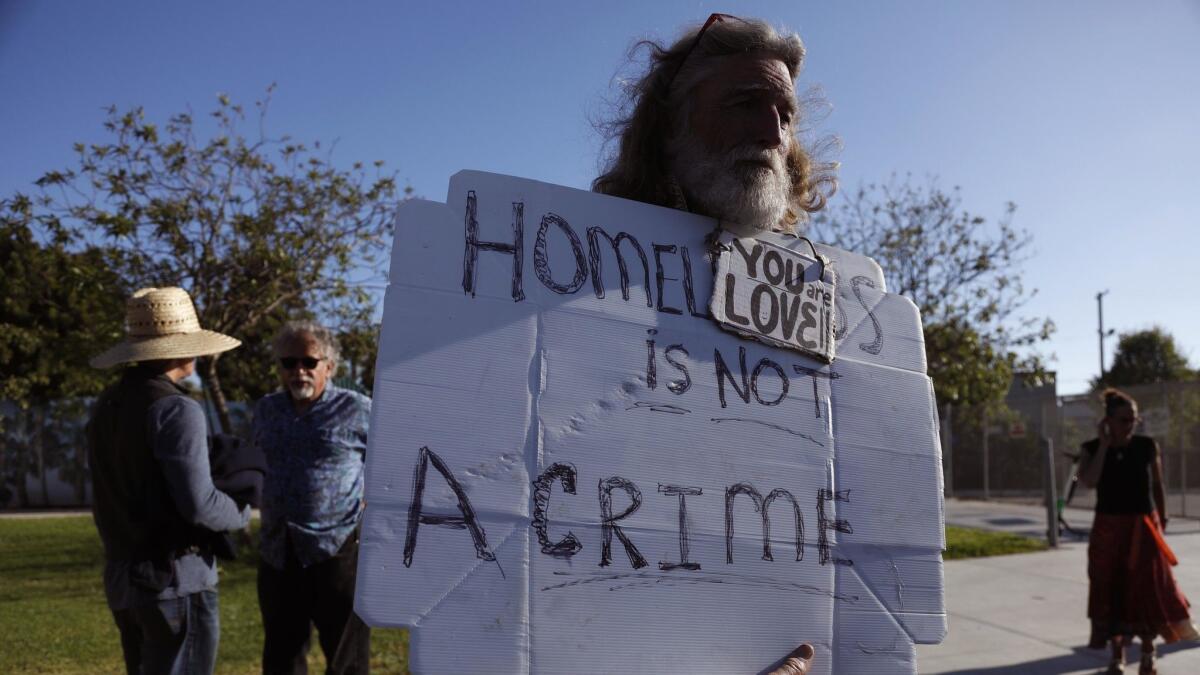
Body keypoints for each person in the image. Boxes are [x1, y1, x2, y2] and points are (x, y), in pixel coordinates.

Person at [595, 15, 832, 671]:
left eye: (785, 113)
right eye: (743, 103)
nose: (772, 132)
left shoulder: (830, 301)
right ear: (669, 126)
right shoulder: (566, 282)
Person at [87, 286, 251, 674]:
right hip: (174, 580)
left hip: (124, 578)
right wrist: (242, 513)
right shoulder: (176, 408)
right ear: (184, 348)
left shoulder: (107, 405)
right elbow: (199, 503)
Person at [593, 13, 837, 235]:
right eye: (746, 103)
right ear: (671, 121)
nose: (773, 135)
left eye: (785, 118)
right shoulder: (586, 248)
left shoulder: (811, 276)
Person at [254, 321, 372, 674]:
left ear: (330, 366)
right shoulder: (267, 409)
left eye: (308, 361)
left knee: (346, 658)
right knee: (282, 658)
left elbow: (391, 465)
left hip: (337, 551)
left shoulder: (358, 409)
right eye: (288, 363)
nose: (298, 371)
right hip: (278, 552)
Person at [1078, 387, 1199, 674]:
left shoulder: (1146, 446)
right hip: (1108, 528)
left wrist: (1163, 516)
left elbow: (1157, 483)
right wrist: (1106, 445)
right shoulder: (1091, 449)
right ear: (1107, 421)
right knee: (1110, 589)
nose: (1130, 425)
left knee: (1147, 589)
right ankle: (1116, 656)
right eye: (1123, 420)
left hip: (1143, 525)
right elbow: (1090, 481)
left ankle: (1147, 652)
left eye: (1133, 419)